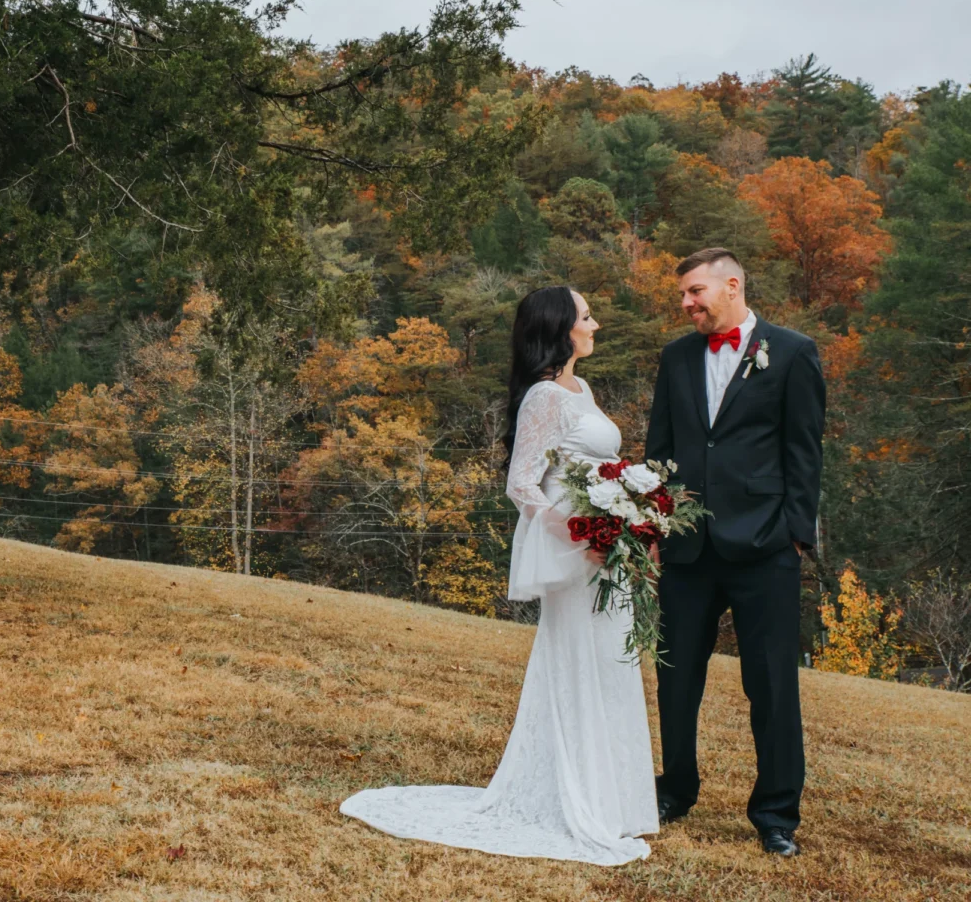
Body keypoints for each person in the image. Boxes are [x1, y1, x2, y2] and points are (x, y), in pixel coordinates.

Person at [340, 285, 658, 866]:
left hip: (605, 551)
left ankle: (613, 801)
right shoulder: (542, 396)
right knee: (577, 662)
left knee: (610, 662)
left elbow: (596, 467)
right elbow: (521, 483)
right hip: (577, 555)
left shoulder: (580, 388)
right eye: (587, 317)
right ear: (562, 329)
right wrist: (579, 533)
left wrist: (629, 513)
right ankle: (571, 797)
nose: (596, 324)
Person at [646, 247, 824, 858]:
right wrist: (655, 526)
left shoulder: (793, 352)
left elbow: (805, 451)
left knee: (772, 685)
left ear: (732, 285)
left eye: (695, 292)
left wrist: (796, 534)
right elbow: (660, 449)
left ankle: (776, 814)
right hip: (687, 550)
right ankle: (675, 789)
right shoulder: (675, 357)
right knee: (675, 679)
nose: (687, 304)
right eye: (683, 297)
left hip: (765, 548)